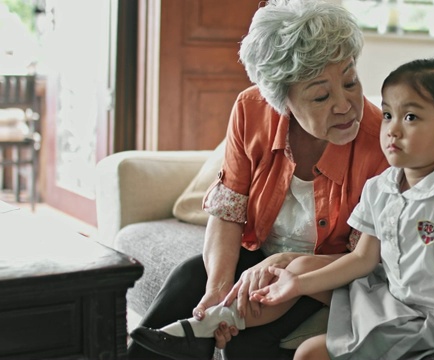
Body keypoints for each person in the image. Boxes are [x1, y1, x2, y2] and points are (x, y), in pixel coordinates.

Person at [127, 0, 388, 359]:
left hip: (327, 275)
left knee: (245, 338)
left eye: (350, 81)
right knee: (191, 278)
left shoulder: (383, 142)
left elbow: (366, 259)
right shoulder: (251, 110)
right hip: (262, 256)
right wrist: (218, 288)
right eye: (321, 95)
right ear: (283, 100)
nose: (345, 104)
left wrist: (285, 267)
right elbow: (229, 210)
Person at [250, 58, 434, 360]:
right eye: (388, 114)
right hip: (391, 298)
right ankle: (220, 325)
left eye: (410, 117)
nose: (392, 129)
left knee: (308, 354)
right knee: (297, 278)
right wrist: (298, 285)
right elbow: (362, 259)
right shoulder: (380, 187)